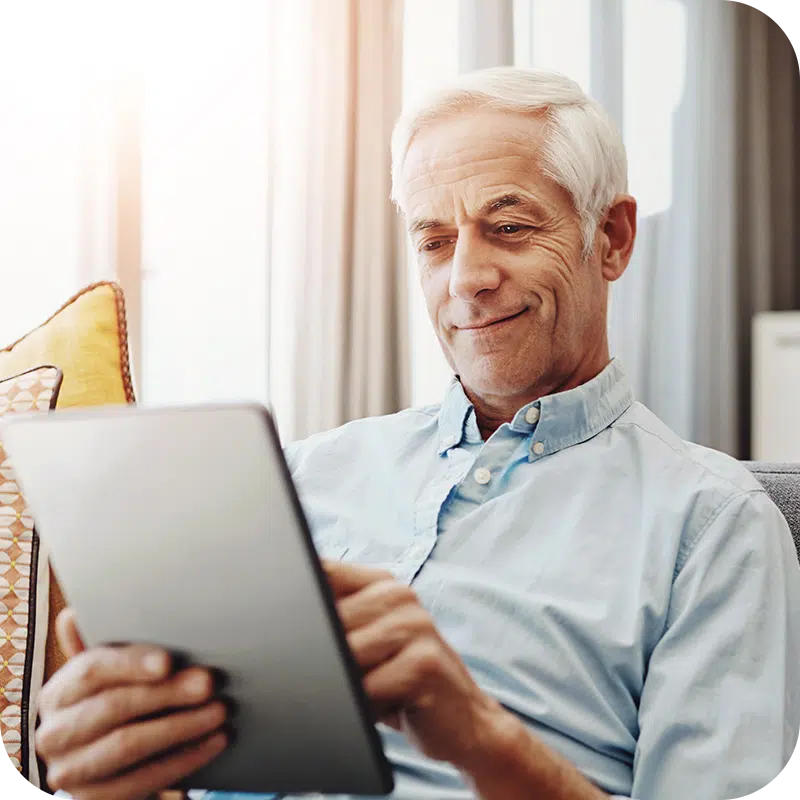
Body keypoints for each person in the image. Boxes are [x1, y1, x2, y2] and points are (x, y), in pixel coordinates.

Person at [34, 67, 800, 800]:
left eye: (508, 227)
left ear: (613, 237)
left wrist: (479, 735)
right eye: (434, 241)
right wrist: (114, 770)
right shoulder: (295, 478)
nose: (465, 277)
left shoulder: (712, 525)